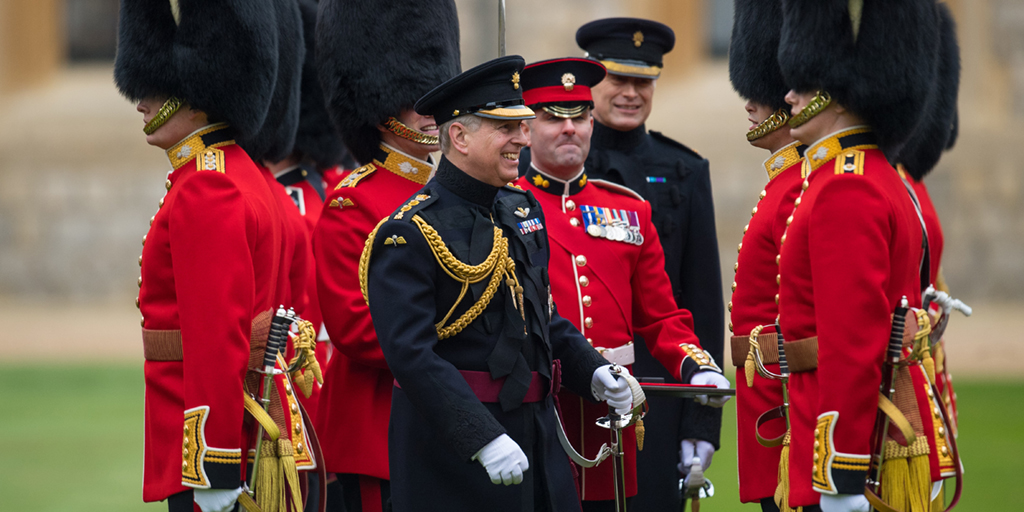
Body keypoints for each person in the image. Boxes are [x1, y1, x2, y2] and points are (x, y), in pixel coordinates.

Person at [363, 55, 635, 512]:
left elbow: (540, 315)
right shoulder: (407, 231)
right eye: (504, 127)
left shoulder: (520, 210)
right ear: (459, 135)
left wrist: (593, 370)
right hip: (456, 452)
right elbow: (410, 354)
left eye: (523, 126)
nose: (521, 139)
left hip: (538, 435)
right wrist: (482, 437)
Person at [115, 0, 314, 511]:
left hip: (215, 445)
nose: (140, 102)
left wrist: (215, 461)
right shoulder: (242, 173)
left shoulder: (207, 188)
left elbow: (216, 336)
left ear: (198, 95)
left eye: (155, 87)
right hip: (249, 425)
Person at [512, 57, 731, 511]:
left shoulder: (630, 210)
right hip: (537, 411)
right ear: (527, 129)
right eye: (553, 118)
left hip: (612, 416)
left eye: (579, 117)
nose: (569, 129)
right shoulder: (505, 206)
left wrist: (696, 365)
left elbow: (661, 315)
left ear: (592, 123)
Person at [774, 1, 948, 511]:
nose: (788, 97)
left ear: (837, 95)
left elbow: (852, 342)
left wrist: (843, 473)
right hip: (882, 426)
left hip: (858, 445)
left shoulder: (844, 188)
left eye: (802, 87)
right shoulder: (875, 176)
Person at [310, 0, 462, 510]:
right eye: (418, 100)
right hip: (380, 421)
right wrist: (459, 345)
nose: (430, 111)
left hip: (455, 415)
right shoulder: (353, 202)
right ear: (382, 108)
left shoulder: (452, 192)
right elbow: (353, 326)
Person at [575, 18, 725, 509]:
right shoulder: (557, 169)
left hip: (657, 395)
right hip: (573, 390)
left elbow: (701, 302)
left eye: (643, 81)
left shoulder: (684, 169)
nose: (631, 93)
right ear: (592, 80)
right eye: (618, 79)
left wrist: (702, 422)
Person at [725, 1, 810, 511]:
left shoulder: (801, 185)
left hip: (785, 404)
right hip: (768, 397)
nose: (748, 102)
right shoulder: (784, 182)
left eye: (760, 91)